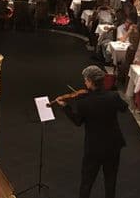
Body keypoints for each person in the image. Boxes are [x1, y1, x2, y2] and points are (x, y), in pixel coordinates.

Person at [51, 66, 127, 198]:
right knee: (110, 180)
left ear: (91, 82)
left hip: (94, 147)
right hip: (113, 144)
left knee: (87, 181)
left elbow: (78, 121)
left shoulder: (84, 102)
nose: (85, 83)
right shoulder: (113, 96)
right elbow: (124, 108)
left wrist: (65, 107)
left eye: (86, 80)